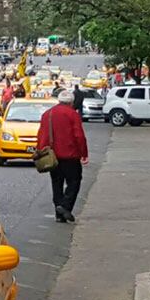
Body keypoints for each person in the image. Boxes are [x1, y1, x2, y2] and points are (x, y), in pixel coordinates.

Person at [37, 90, 88, 223]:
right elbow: (79, 136)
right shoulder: (73, 114)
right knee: (74, 181)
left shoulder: (47, 114)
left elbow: (42, 135)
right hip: (70, 155)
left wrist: (40, 151)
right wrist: (84, 153)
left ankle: (59, 214)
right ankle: (65, 206)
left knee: (56, 183)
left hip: (52, 155)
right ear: (71, 102)